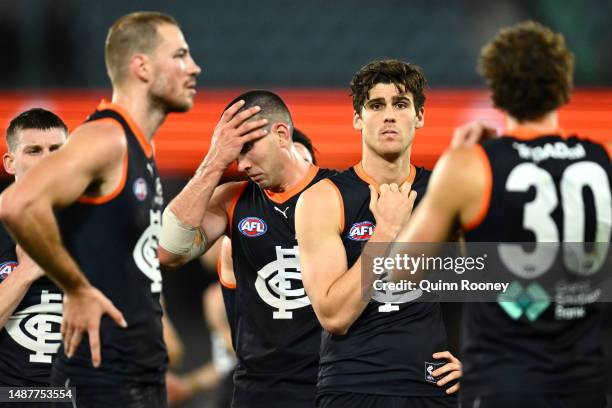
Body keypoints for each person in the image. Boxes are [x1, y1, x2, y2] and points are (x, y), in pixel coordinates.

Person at [394, 21, 611, 408]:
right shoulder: (603, 160)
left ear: (495, 90)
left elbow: (400, 271)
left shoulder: (471, 167)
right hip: (586, 382)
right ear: (564, 87)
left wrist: (451, 173)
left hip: (502, 380)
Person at [0, 11, 200, 407]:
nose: (193, 67)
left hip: (134, 378)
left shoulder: (138, 151)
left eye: (56, 151)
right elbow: (16, 203)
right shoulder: (107, 138)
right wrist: (72, 286)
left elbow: (150, 269)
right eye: (179, 55)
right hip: (84, 385)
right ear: (141, 66)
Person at [295, 59, 461, 408]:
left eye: (401, 105)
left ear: (419, 117)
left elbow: (498, 279)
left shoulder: (444, 191)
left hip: (431, 388)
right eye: (376, 105)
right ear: (358, 118)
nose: (389, 115)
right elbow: (334, 317)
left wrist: (484, 361)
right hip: (351, 386)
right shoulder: (324, 198)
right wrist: (385, 230)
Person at [158, 90, 334, 407]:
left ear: (283, 136)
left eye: (248, 150)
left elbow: (395, 283)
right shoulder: (234, 203)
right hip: (260, 390)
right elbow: (167, 250)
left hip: (334, 384)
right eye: (235, 154)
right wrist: (214, 160)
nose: (242, 165)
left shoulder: (344, 196)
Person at [0, 109, 66, 391]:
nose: (47, 160)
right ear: (10, 163)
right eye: (34, 151)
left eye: (56, 150)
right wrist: (26, 271)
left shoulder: (98, 229)